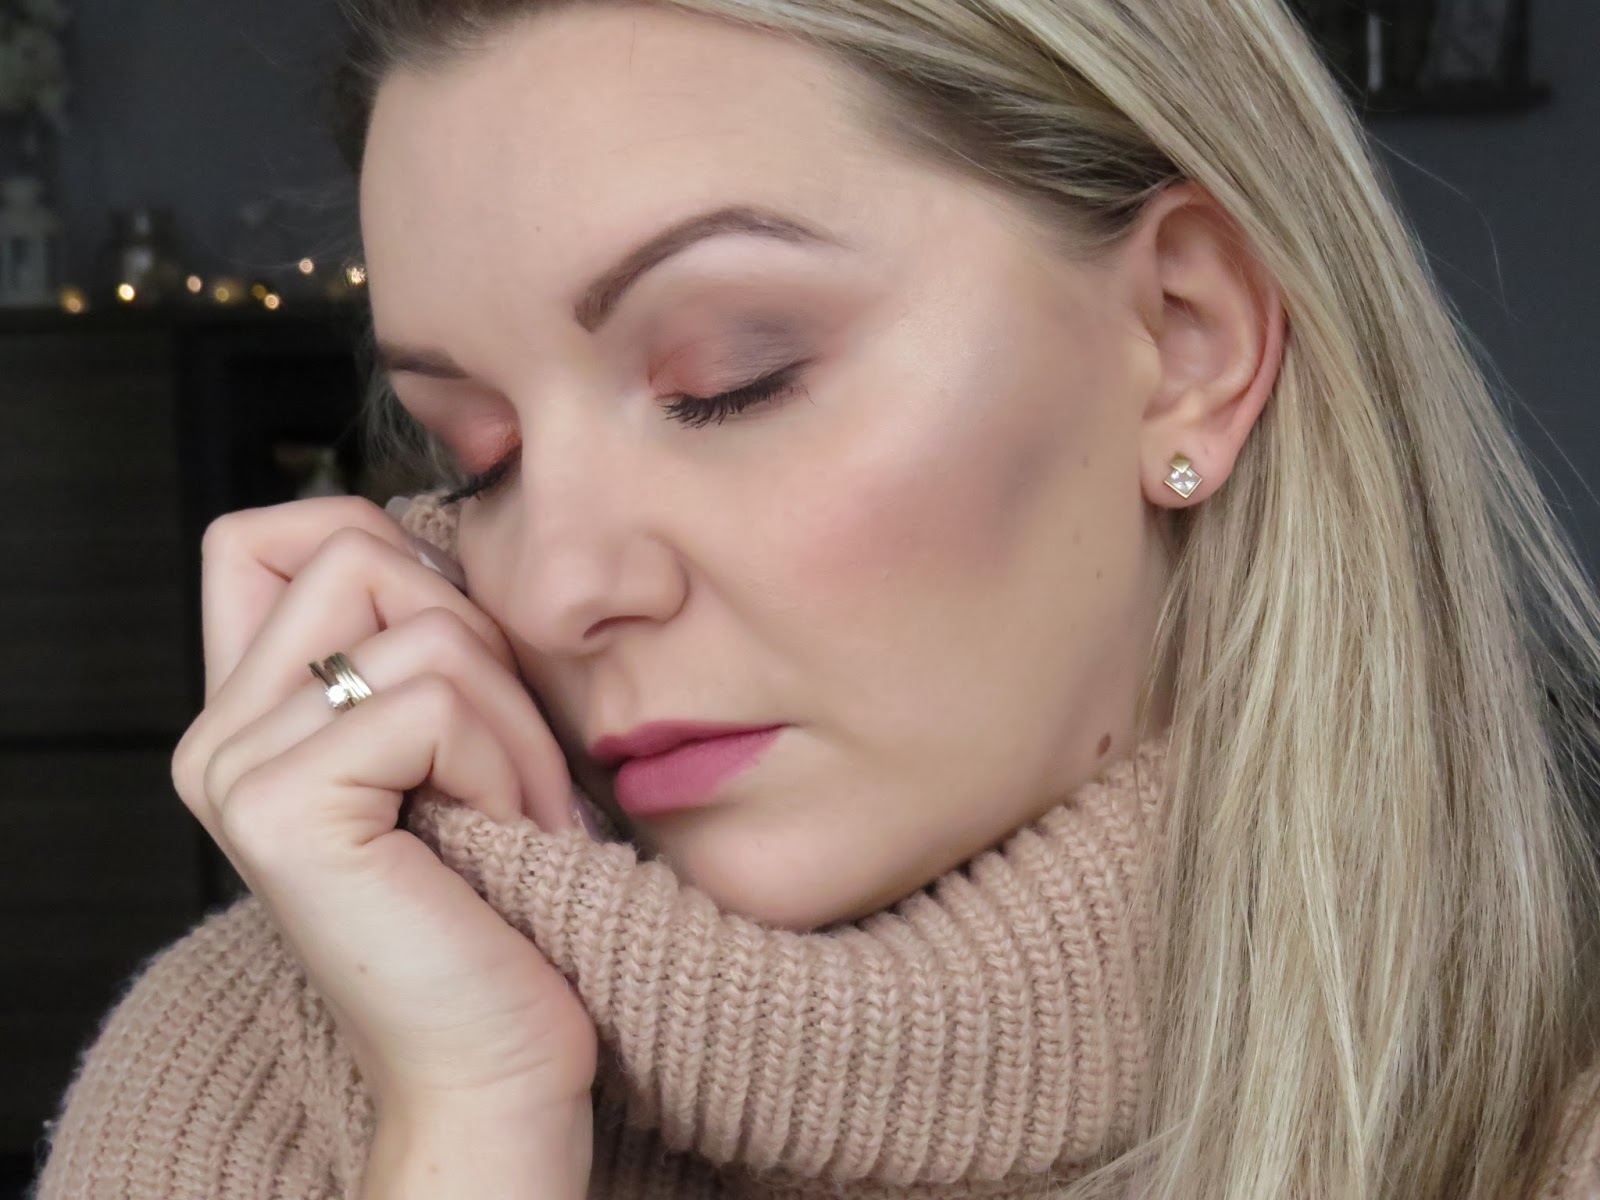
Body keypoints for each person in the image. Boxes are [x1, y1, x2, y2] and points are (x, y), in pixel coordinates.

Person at [30, 0, 1600, 1196]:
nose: (560, 587)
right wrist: (471, 1126)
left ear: (1186, 342)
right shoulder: (254, 1078)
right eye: (477, 456)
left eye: (735, 378)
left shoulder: (1549, 1107)